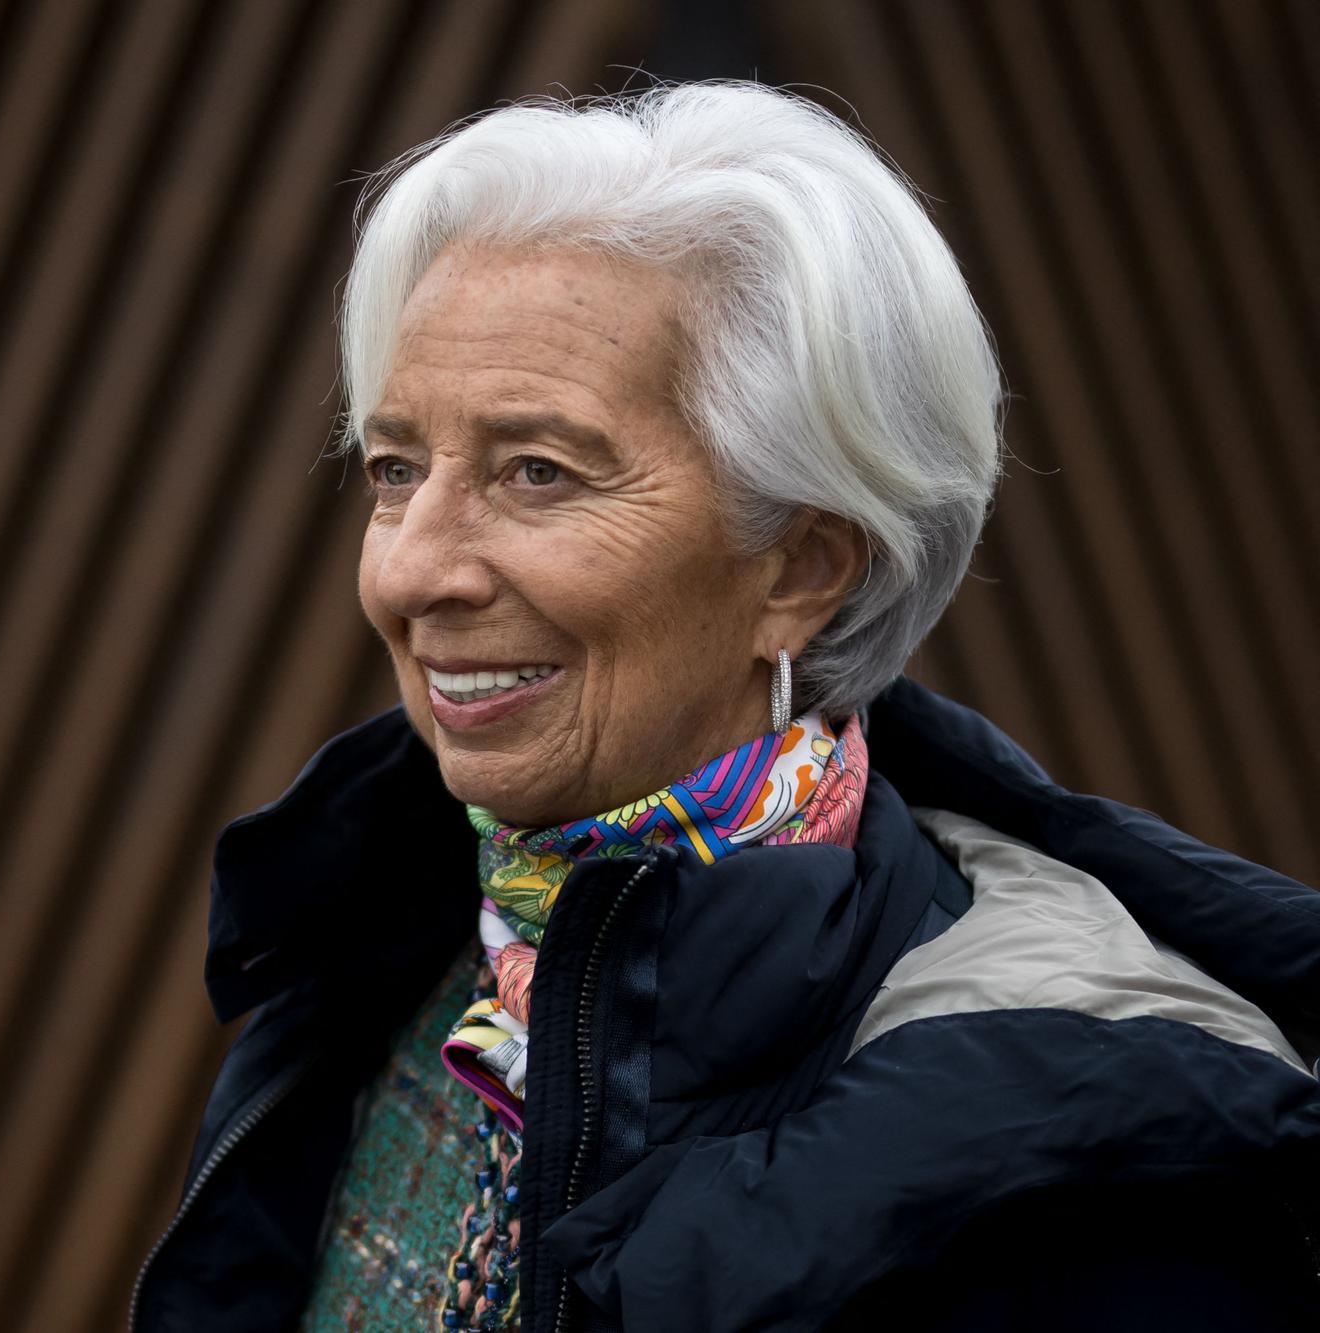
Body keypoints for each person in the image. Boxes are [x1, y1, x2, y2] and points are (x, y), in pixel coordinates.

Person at [129, 83, 1320, 1333]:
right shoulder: (378, 928)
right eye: (395, 470)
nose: (411, 570)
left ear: (801, 569)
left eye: (536, 471)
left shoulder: (1088, 1154)